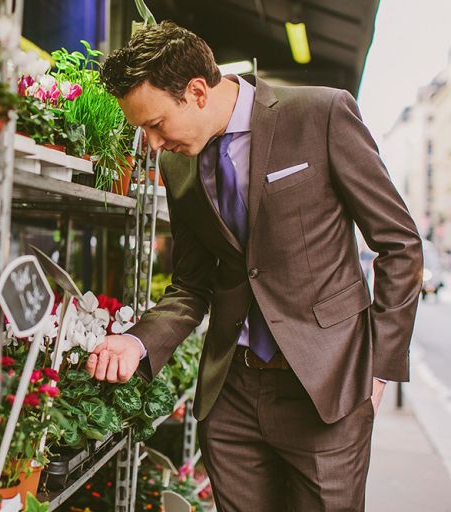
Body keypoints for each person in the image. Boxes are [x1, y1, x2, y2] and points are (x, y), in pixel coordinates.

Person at [86, 21, 423, 511]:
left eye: (155, 124)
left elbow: (401, 244)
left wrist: (377, 371)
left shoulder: (321, 113)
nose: (153, 144)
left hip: (326, 393)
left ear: (197, 91)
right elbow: (191, 285)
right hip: (233, 400)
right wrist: (137, 341)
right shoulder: (179, 165)